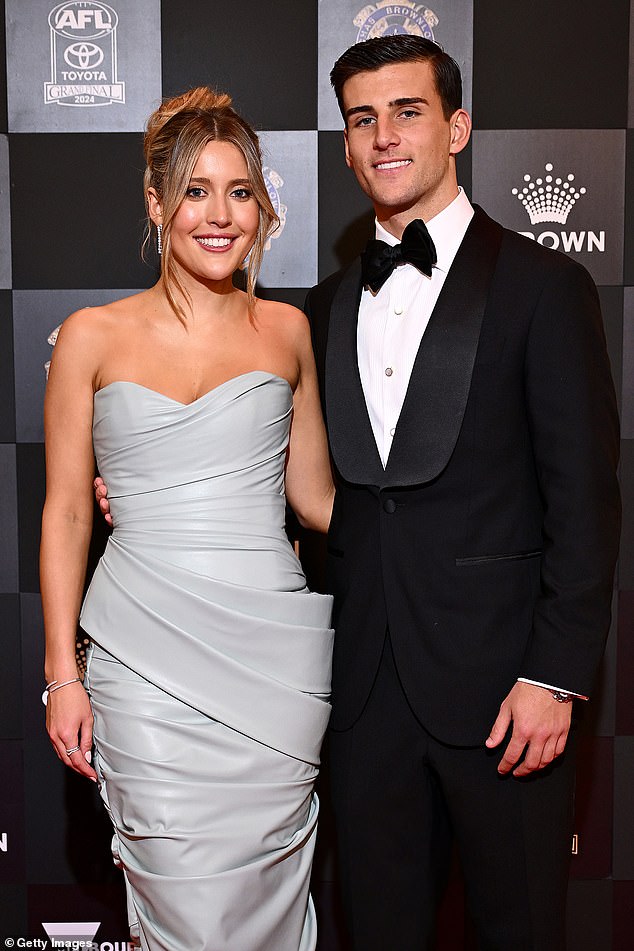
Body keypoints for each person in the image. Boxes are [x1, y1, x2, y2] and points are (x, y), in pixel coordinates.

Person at [303, 35, 620, 950]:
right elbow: (307, 486)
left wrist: (555, 675)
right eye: (363, 119)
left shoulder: (544, 287)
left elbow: (586, 502)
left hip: (505, 693)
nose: (384, 136)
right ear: (348, 144)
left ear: (458, 126)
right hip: (364, 695)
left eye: (407, 112)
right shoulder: (321, 310)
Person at [40, 86, 334, 951]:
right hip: (142, 655)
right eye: (196, 190)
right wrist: (63, 672)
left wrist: (466, 505)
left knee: (265, 899)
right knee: (183, 907)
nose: (219, 215)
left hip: (271, 659)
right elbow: (64, 512)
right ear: (156, 201)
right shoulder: (90, 336)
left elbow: (318, 499)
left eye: (240, 191)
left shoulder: (287, 331)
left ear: (263, 207)